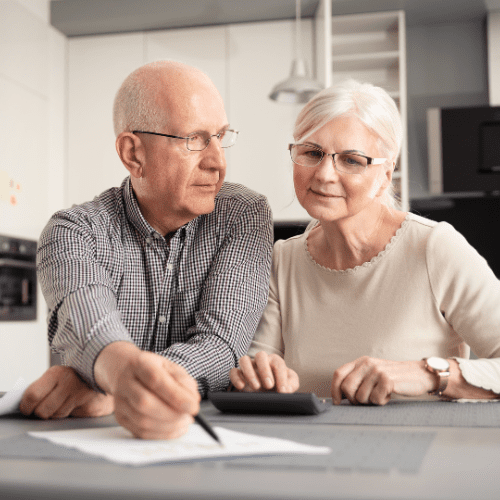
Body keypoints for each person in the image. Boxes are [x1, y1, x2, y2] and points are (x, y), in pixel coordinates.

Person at [19, 60, 273, 438]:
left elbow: (222, 346)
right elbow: (90, 322)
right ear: (133, 154)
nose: (218, 162)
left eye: (221, 136)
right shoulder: (73, 232)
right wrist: (118, 374)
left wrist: (107, 384)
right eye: (195, 139)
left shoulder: (242, 215)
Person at [230, 79, 500, 405]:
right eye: (312, 153)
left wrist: (430, 374)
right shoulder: (281, 260)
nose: (325, 174)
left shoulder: (434, 248)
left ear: (385, 175)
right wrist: (257, 377)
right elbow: (260, 365)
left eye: (352, 160)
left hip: (420, 449)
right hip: (313, 451)